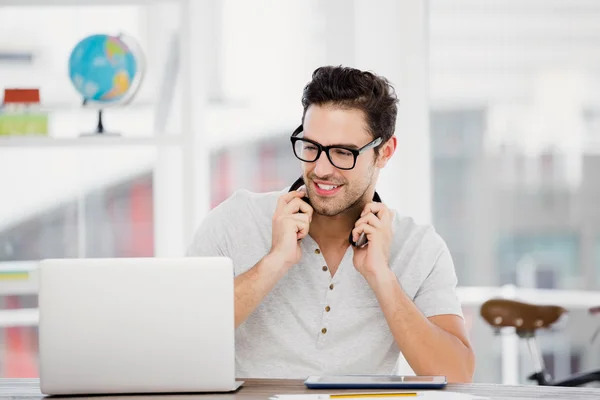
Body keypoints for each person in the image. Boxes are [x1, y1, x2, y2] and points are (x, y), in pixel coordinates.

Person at [187, 66, 475, 382]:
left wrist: (382, 278)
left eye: (342, 152)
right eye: (311, 147)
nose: (321, 169)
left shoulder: (420, 247)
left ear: (384, 152)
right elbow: (182, 338)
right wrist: (275, 262)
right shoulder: (235, 220)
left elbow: (457, 374)